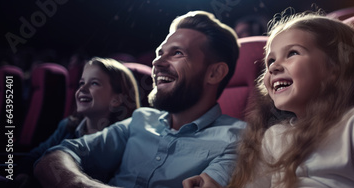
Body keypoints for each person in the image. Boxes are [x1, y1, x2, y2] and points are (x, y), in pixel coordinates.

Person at [34, 10, 245, 188]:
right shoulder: (140, 119)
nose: (157, 62)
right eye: (159, 53)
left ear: (215, 73)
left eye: (178, 53)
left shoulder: (238, 138)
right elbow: (55, 156)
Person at [229, 12, 354, 188]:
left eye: (292, 53)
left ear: (334, 68)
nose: (273, 66)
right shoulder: (273, 136)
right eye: (270, 61)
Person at [15, 57, 140, 187]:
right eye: (81, 83)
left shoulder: (122, 140)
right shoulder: (67, 126)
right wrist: (24, 174)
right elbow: (35, 156)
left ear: (116, 100)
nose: (82, 89)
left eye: (94, 83)